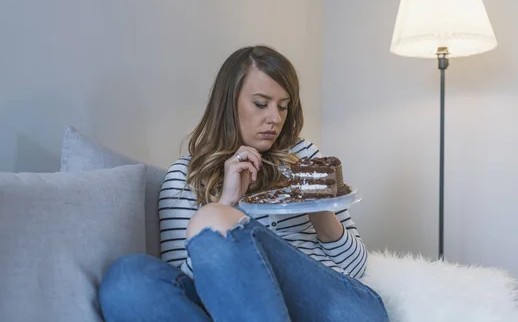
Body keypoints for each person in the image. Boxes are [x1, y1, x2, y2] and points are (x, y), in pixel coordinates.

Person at [98, 45, 389, 321]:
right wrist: (226, 206)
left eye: (283, 107)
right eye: (261, 104)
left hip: (337, 307)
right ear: (228, 103)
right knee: (125, 280)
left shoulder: (303, 156)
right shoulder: (184, 177)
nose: (274, 118)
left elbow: (357, 266)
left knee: (214, 218)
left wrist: (316, 204)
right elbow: (185, 290)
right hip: (237, 310)